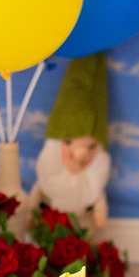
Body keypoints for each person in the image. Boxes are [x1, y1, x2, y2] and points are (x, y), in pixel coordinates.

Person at [27, 52, 111, 232]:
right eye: (68, 143)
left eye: (91, 147)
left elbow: (98, 199)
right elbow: (35, 198)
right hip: (50, 224)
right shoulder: (49, 180)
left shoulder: (91, 186)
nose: (81, 154)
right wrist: (30, 213)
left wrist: (100, 214)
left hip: (81, 225)